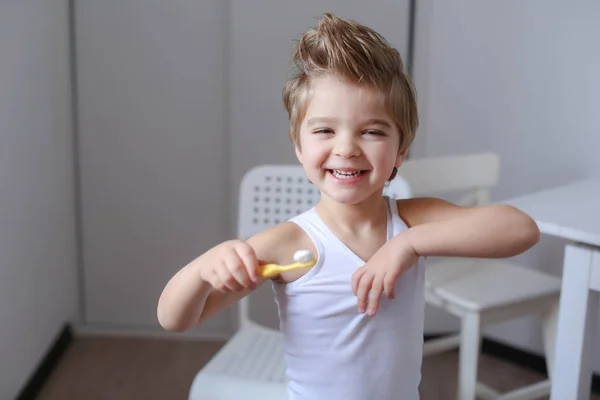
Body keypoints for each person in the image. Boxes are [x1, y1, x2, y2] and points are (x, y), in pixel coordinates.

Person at [157, 13, 540, 399]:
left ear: (400, 152)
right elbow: (175, 318)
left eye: (372, 131)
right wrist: (205, 269)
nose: (346, 148)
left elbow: (521, 230)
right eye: (325, 130)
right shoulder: (288, 243)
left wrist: (407, 245)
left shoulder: (410, 222)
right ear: (299, 146)